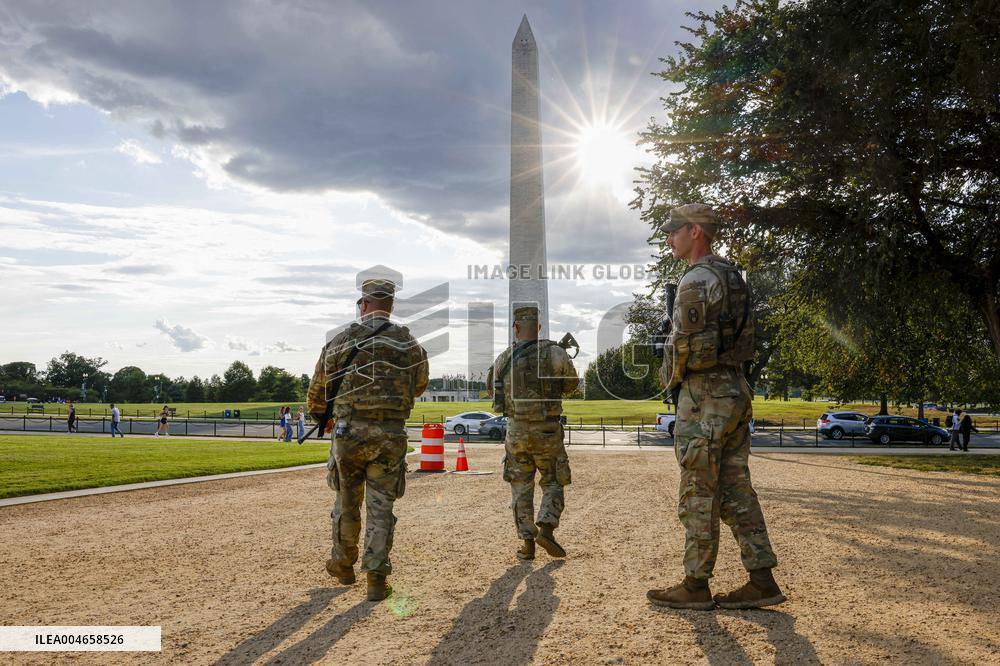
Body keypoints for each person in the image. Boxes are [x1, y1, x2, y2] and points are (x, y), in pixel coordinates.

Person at [647, 203, 785, 611]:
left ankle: (695, 584)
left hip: (704, 395)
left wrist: (668, 379)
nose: (669, 238)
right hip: (735, 388)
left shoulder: (696, 279)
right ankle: (762, 579)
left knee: (698, 491)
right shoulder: (732, 275)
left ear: (695, 231)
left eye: (674, 231)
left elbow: (683, 345)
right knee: (735, 489)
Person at [307, 277, 428, 601]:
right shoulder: (409, 343)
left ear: (364, 304)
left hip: (349, 432)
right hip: (389, 434)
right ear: (391, 305)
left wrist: (323, 416)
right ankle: (376, 576)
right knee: (381, 507)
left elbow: (317, 391)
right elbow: (419, 385)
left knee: (346, 502)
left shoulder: (342, 340)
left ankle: (343, 564)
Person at [486, 305, 579, 562]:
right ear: (538, 327)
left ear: (516, 328)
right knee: (553, 480)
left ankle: (527, 544)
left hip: (516, 431)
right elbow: (571, 385)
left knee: (520, 487)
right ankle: (546, 528)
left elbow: (493, 392)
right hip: (547, 429)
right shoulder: (556, 353)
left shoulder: (503, 359)